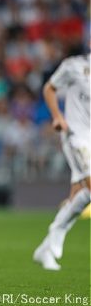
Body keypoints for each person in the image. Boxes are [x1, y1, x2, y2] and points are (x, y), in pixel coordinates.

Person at [33, 52, 90, 271]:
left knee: (79, 195)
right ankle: (52, 245)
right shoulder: (73, 66)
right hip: (76, 136)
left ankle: (46, 248)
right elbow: (49, 88)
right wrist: (58, 116)